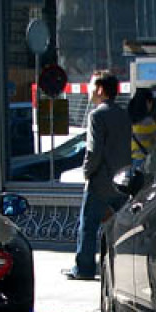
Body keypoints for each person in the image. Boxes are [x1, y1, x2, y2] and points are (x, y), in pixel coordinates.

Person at [65, 70, 131, 281]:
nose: (88, 90)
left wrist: (86, 173)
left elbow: (93, 151)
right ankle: (121, 270)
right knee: (120, 228)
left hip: (100, 181)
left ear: (101, 90)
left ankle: (84, 268)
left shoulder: (96, 115)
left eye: (92, 86)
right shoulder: (123, 114)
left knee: (88, 225)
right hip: (122, 181)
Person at [128, 87, 156, 168]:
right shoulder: (148, 122)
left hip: (129, 163)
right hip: (142, 162)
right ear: (147, 102)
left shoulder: (127, 120)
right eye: (151, 102)